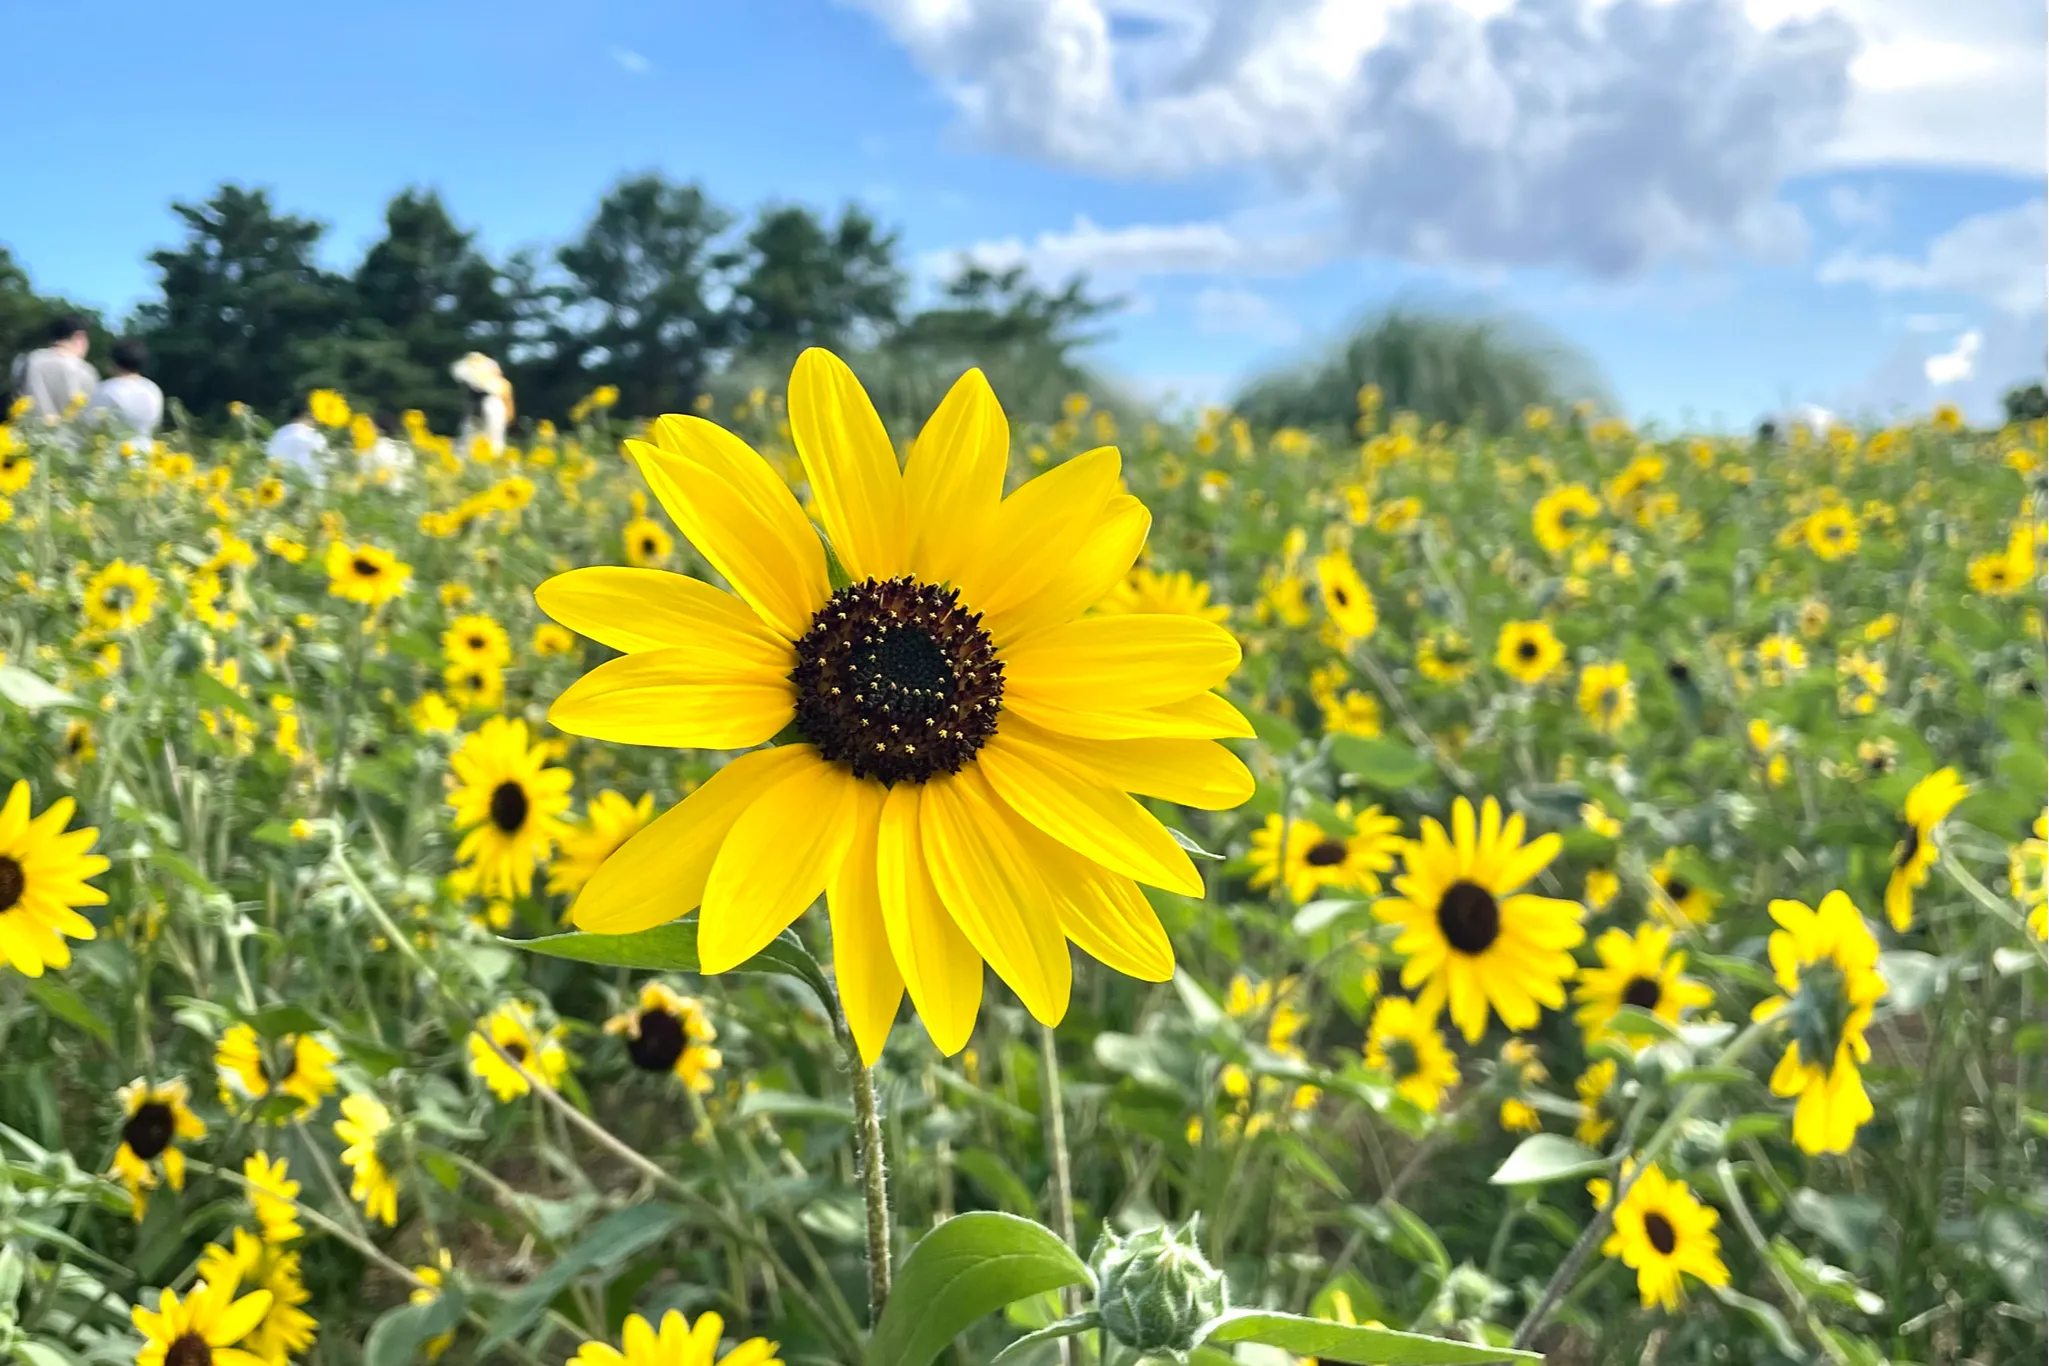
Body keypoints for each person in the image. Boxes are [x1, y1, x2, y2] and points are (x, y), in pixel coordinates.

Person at [10, 316, 98, 420]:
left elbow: (15, 399)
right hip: (67, 435)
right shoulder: (85, 371)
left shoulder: (28, 359)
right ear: (79, 336)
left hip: (26, 433)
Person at [81, 338, 164, 442]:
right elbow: (155, 427)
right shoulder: (154, 390)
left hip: (112, 454)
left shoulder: (104, 390)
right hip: (146, 453)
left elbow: (88, 425)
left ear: (113, 362)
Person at [452, 352, 512, 457]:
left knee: (488, 441)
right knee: (487, 441)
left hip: (486, 408)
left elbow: (507, 404)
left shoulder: (499, 385)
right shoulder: (499, 384)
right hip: (480, 408)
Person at [266, 394, 328, 481]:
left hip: (281, 489)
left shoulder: (277, 435)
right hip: (311, 490)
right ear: (308, 414)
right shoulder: (315, 437)